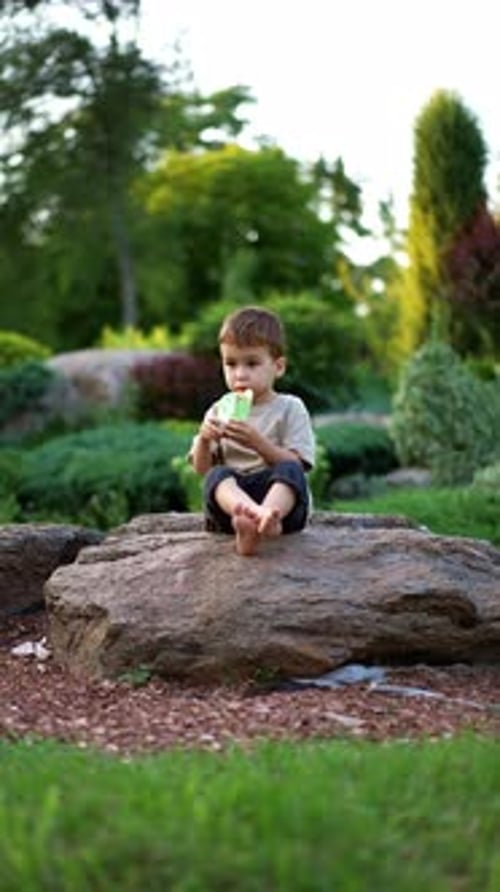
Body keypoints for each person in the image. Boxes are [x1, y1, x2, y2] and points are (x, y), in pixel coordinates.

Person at [189, 306, 315, 556]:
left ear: (278, 367)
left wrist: (259, 444)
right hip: (231, 509)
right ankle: (251, 521)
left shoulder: (290, 407)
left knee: (289, 470)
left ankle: (266, 519)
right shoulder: (219, 410)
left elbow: (299, 464)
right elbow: (202, 469)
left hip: (282, 507)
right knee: (217, 475)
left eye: (252, 364)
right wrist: (203, 440)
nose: (240, 375)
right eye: (231, 364)